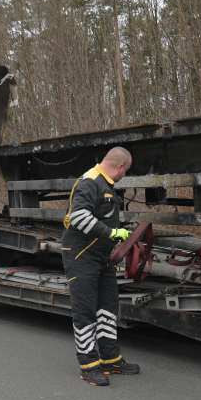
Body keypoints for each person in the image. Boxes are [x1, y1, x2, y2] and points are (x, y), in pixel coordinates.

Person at [62, 147, 141, 386]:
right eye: (125, 171)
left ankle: (110, 358)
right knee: (85, 310)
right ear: (120, 167)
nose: (124, 176)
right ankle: (89, 366)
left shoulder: (107, 185)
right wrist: (112, 232)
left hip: (102, 257)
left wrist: (117, 234)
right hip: (81, 256)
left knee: (108, 307)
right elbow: (78, 217)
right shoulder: (90, 182)